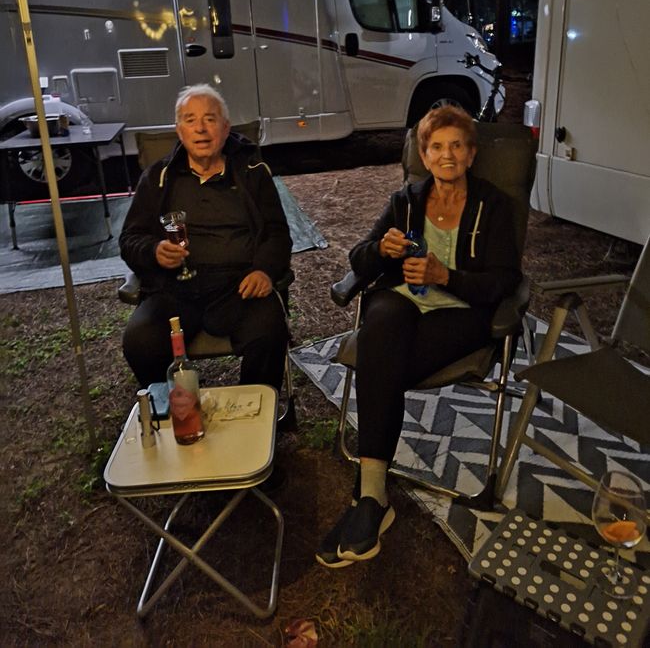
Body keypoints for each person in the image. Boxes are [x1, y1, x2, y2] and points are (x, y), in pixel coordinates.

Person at [316, 105, 521, 568]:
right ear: (423, 156)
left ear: (470, 154)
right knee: (383, 321)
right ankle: (373, 496)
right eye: (435, 147)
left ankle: (368, 501)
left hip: (463, 313)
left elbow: (504, 282)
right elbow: (358, 259)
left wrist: (445, 275)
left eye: (456, 146)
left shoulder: (494, 206)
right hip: (404, 305)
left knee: (377, 363)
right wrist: (379, 250)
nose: (446, 155)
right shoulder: (405, 201)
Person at [120, 84, 292, 393]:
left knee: (269, 331)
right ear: (179, 130)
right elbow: (131, 238)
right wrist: (153, 251)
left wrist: (264, 270)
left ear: (226, 129)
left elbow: (277, 232)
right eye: (190, 119)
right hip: (173, 289)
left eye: (210, 119)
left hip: (238, 286)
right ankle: (181, 405)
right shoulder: (158, 178)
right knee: (140, 339)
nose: (200, 128)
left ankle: (253, 420)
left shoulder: (253, 173)